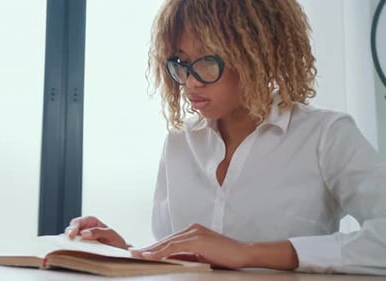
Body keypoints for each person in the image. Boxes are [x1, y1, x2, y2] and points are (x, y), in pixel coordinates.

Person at [66, 0, 386, 275]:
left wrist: (248, 253)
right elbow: (183, 262)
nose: (191, 82)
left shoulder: (325, 135)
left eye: (207, 61)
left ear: (256, 54)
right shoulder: (179, 143)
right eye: (181, 63)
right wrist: (127, 251)